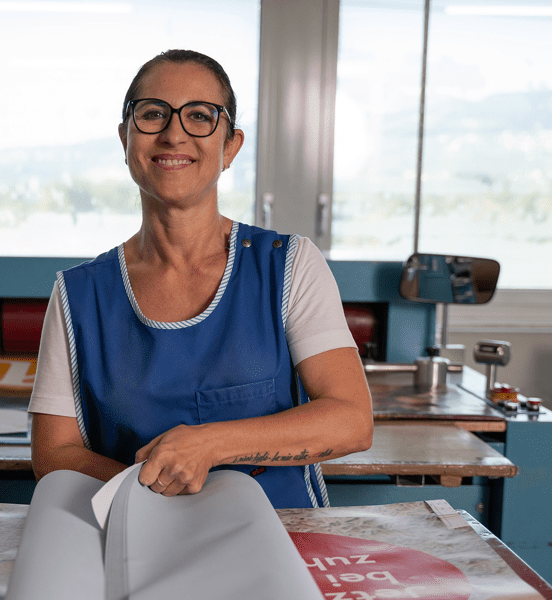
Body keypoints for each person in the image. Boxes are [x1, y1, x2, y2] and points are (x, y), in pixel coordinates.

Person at [29, 49, 373, 508]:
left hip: (282, 535)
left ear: (230, 147)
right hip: (140, 535)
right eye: (153, 114)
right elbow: (53, 453)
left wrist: (209, 444)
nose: (174, 134)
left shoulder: (289, 265)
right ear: (126, 138)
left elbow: (352, 421)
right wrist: (155, 498)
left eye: (199, 116)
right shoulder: (78, 294)